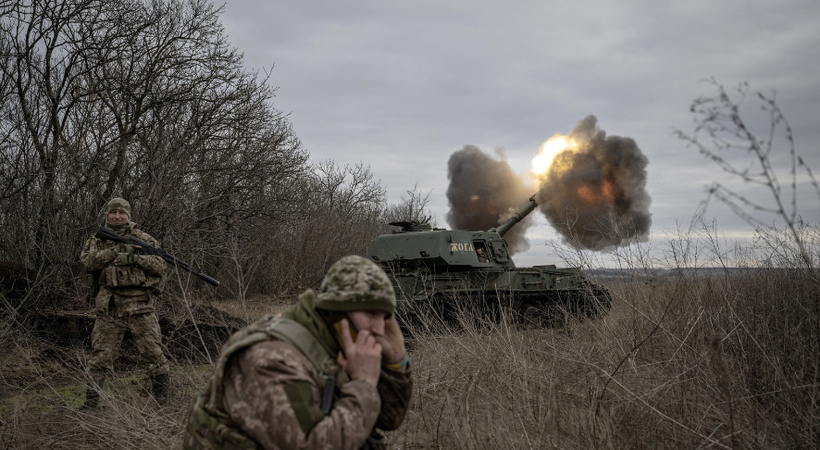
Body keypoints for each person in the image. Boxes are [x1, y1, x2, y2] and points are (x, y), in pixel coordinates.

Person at [184, 255, 413, 450]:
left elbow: (387, 418)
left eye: (384, 317)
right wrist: (363, 385)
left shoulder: (338, 342)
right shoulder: (271, 359)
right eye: (371, 314)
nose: (380, 329)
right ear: (338, 312)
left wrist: (396, 362)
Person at [79, 197, 169, 407]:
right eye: (113, 212)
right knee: (100, 357)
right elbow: (87, 263)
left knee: (153, 353)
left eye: (122, 213)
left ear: (128, 215)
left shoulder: (143, 239)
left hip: (141, 305)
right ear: (108, 214)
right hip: (109, 306)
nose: (117, 216)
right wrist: (115, 252)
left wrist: (136, 258)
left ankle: (163, 403)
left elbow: (160, 265)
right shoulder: (97, 240)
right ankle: (90, 405)